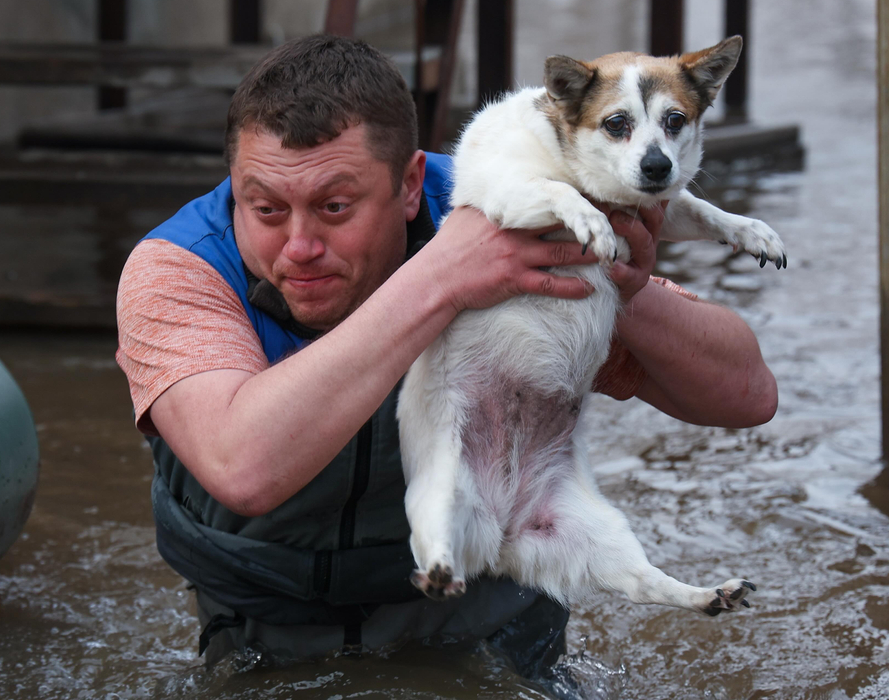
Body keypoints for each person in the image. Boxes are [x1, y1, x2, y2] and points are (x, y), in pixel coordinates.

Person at [114, 35, 777, 679]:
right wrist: (442, 278)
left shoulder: (513, 206)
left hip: (490, 615)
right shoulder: (178, 269)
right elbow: (244, 467)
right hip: (267, 623)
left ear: (410, 186)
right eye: (263, 207)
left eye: (335, 207)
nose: (299, 245)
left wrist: (623, 288)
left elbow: (747, 394)